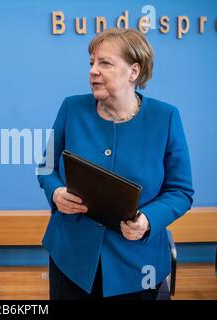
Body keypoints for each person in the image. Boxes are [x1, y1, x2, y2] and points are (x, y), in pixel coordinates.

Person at [38, 28, 193, 300]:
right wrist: (56, 193)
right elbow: (46, 168)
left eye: (105, 63)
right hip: (71, 259)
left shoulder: (166, 117)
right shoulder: (71, 108)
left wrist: (147, 221)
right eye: (91, 63)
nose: (93, 71)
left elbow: (180, 191)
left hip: (137, 266)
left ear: (134, 71)